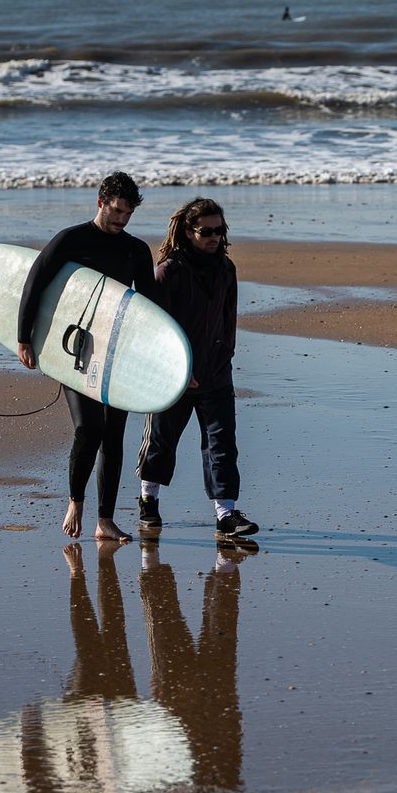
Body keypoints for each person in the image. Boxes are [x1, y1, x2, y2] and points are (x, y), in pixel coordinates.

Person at [18, 172, 157, 542]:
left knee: (114, 436)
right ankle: (75, 501)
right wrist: (24, 338)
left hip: (116, 353)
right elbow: (36, 281)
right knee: (89, 428)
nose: (121, 220)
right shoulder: (70, 240)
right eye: (116, 211)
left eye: (128, 214)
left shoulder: (136, 250)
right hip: (75, 349)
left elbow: (150, 309)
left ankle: (105, 521)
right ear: (100, 202)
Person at [135, 197, 258, 541]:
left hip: (216, 373)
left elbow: (227, 319)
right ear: (188, 231)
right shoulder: (169, 271)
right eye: (206, 231)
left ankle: (226, 514)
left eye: (220, 231)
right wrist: (175, 370)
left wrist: (225, 357)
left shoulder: (226, 268)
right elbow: (151, 327)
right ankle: (148, 499)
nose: (214, 237)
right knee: (161, 441)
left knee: (222, 444)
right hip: (173, 376)